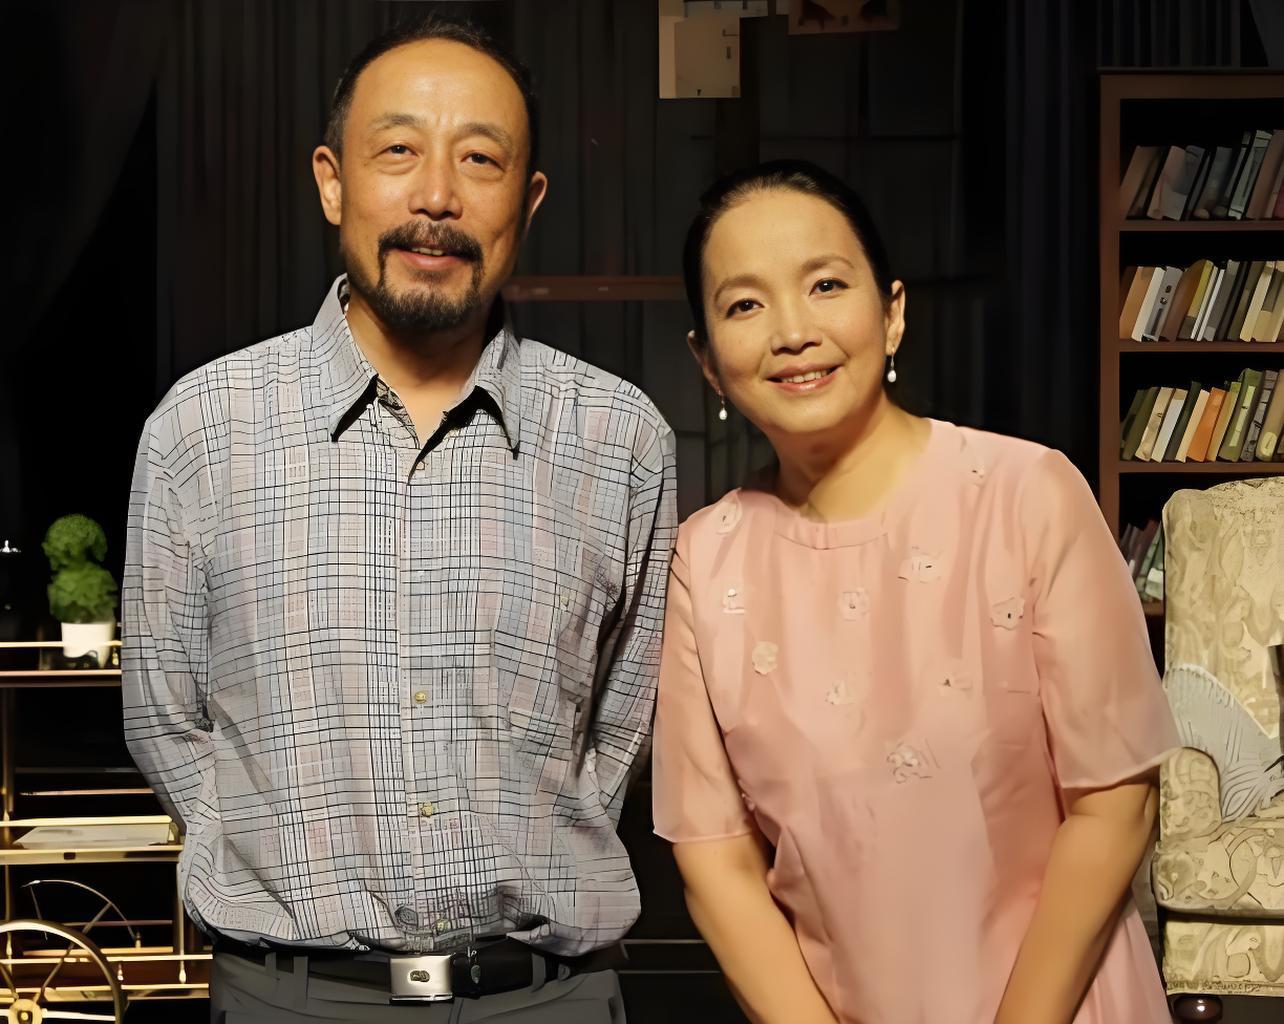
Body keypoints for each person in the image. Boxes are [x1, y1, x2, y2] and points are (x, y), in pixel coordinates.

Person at [123, 15, 675, 1023]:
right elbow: (166, 719)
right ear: (333, 182)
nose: (436, 197)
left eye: (480, 159)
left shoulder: (619, 437)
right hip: (289, 999)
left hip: (544, 999)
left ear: (528, 200)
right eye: (398, 151)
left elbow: (617, 729)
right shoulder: (202, 429)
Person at [651, 160, 1179, 1024]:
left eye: (826, 285)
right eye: (745, 305)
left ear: (892, 312)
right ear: (707, 362)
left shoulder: (1027, 495)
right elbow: (717, 861)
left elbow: (1115, 804)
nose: (792, 331)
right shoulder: (705, 560)